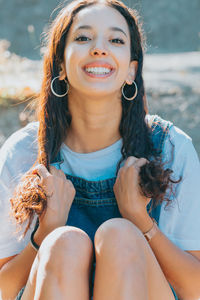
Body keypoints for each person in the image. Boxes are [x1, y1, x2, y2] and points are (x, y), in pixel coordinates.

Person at [0, 0, 200, 299]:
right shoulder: (23, 153)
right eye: (83, 38)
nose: (99, 48)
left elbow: (195, 287)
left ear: (132, 70)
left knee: (120, 235)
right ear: (60, 65)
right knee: (63, 242)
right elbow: (4, 287)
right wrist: (45, 233)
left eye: (116, 40)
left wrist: (141, 222)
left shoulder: (170, 147)